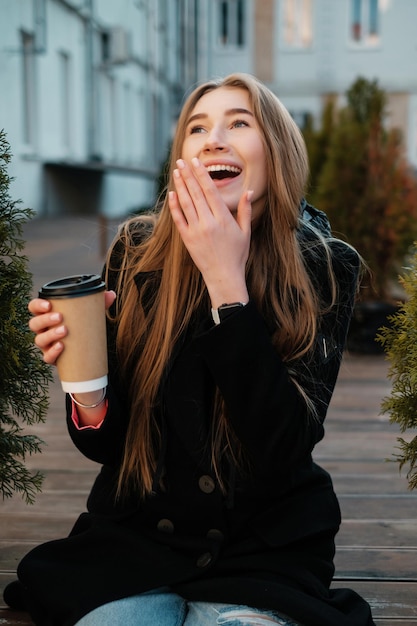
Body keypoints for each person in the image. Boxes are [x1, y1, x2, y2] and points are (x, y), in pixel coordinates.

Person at [4, 73, 376, 626]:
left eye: (239, 123)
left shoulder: (324, 264)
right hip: (136, 546)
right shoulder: (137, 253)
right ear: (181, 160)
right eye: (196, 128)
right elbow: (110, 447)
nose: (213, 139)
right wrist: (85, 385)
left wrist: (227, 284)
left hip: (264, 553)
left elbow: (282, 449)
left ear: (277, 151)